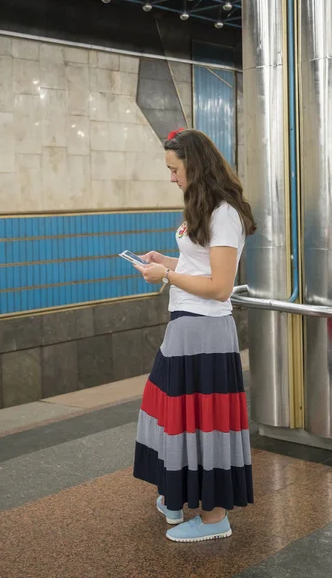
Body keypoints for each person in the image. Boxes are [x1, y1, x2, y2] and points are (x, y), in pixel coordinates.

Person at [133, 128, 256, 543]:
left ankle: (214, 518)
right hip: (186, 327)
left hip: (206, 330)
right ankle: (178, 494)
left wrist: (165, 275)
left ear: (195, 165)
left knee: (205, 424)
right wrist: (165, 260)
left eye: (175, 169)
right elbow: (199, 264)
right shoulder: (202, 207)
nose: (172, 178)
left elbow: (220, 286)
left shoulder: (224, 214)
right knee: (174, 416)